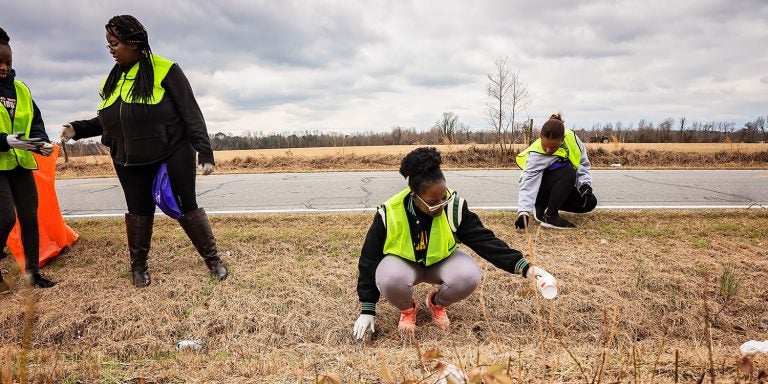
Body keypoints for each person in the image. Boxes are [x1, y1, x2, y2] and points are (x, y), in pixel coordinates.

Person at [60, 15, 227, 287]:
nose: (111, 50)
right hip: (130, 159)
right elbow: (111, 119)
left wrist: (205, 152)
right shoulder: (112, 81)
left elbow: (191, 113)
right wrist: (77, 129)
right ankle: (139, 267)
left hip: (172, 151)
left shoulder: (166, 70)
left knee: (186, 205)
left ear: (134, 42)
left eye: (114, 43)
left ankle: (213, 260)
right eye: (108, 45)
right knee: (138, 210)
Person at [353, 147, 556, 339]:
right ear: (415, 196)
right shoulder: (389, 213)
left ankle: (436, 303)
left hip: (441, 263)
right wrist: (367, 309)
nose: (441, 204)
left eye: (443, 197)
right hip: (405, 264)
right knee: (389, 278)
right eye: (433, 202)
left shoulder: (453, 206)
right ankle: (408, 310)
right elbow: (369, 259)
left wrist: (525, 268)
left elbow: (484, 240)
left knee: (469, 275)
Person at [0, 27, 57, 292]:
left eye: (8, 62)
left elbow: (36, 122)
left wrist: (41, 142)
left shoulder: (21, 89)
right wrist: (4, 140)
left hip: (21, 162)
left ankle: (33, 272)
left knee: (29, 217)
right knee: (4, 218)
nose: (3, 67)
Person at [515, 113, 597, 230]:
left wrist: (584, 184)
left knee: (589, 202)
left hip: (558, 185)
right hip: (540, 190)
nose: (548, 150)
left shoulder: (572, 140)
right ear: (540, 138)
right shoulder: (536, 154)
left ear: (562, 139)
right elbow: (528, 182)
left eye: (553, 147)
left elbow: (582, 164)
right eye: (545, 145)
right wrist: (523, 212)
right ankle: (549, 215)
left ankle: (545, 207)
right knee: (568, 172)